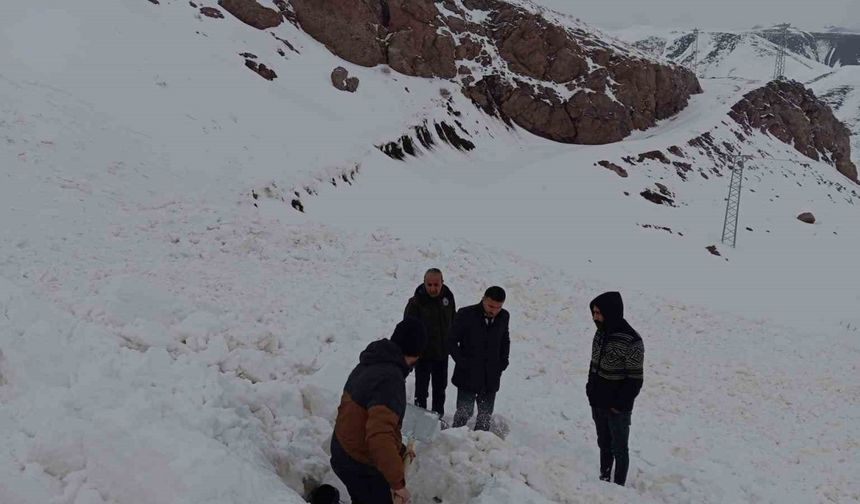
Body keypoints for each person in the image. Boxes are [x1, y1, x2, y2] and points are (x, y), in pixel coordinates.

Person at [330, 318, 427, 504]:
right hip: (357, 463)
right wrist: (398, 484)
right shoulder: (390, 380)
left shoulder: (372, 360)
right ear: (416, 354)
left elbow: (369, 420)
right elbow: (379, 437)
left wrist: (399, 450)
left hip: (342, 448)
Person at [586, 291, 645, 487]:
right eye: (594, 312)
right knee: (604, 444)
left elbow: (635, 380)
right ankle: (604, 480)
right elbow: (593, 364)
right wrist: (590, 390)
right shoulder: (600, 333)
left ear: (611, 312)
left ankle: (618, 487)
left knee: (619, 448)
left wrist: (619, 405)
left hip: (617, 408)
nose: (595, 317)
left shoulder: (632, 340)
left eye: (599, 313)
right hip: (598, 401)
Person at [448, 286, 510, 432]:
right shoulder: (466, 314)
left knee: (485, 416)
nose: (493, 310)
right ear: (483, 299)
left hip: (491, 374)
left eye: (498, 307)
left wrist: (503, 361)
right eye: (490, 306)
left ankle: (481, 445)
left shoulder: (504, 316)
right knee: (463, 413)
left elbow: (505, 340)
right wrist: (461, 362)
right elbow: (451, 340)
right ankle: (456, 442)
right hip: (468, 373)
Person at [403, 268, 456, 418]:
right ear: (424, 283)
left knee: (440, 390)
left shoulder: (448, 297)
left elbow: (453, 320)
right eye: (429, 284)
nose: (433, 288)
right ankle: (420, 420)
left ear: (442, 283)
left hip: (441, 354)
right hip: (423, 356)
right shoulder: (415, 303)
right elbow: (407, 329)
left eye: (436, 284)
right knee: (421, 390)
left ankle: (437, 419)